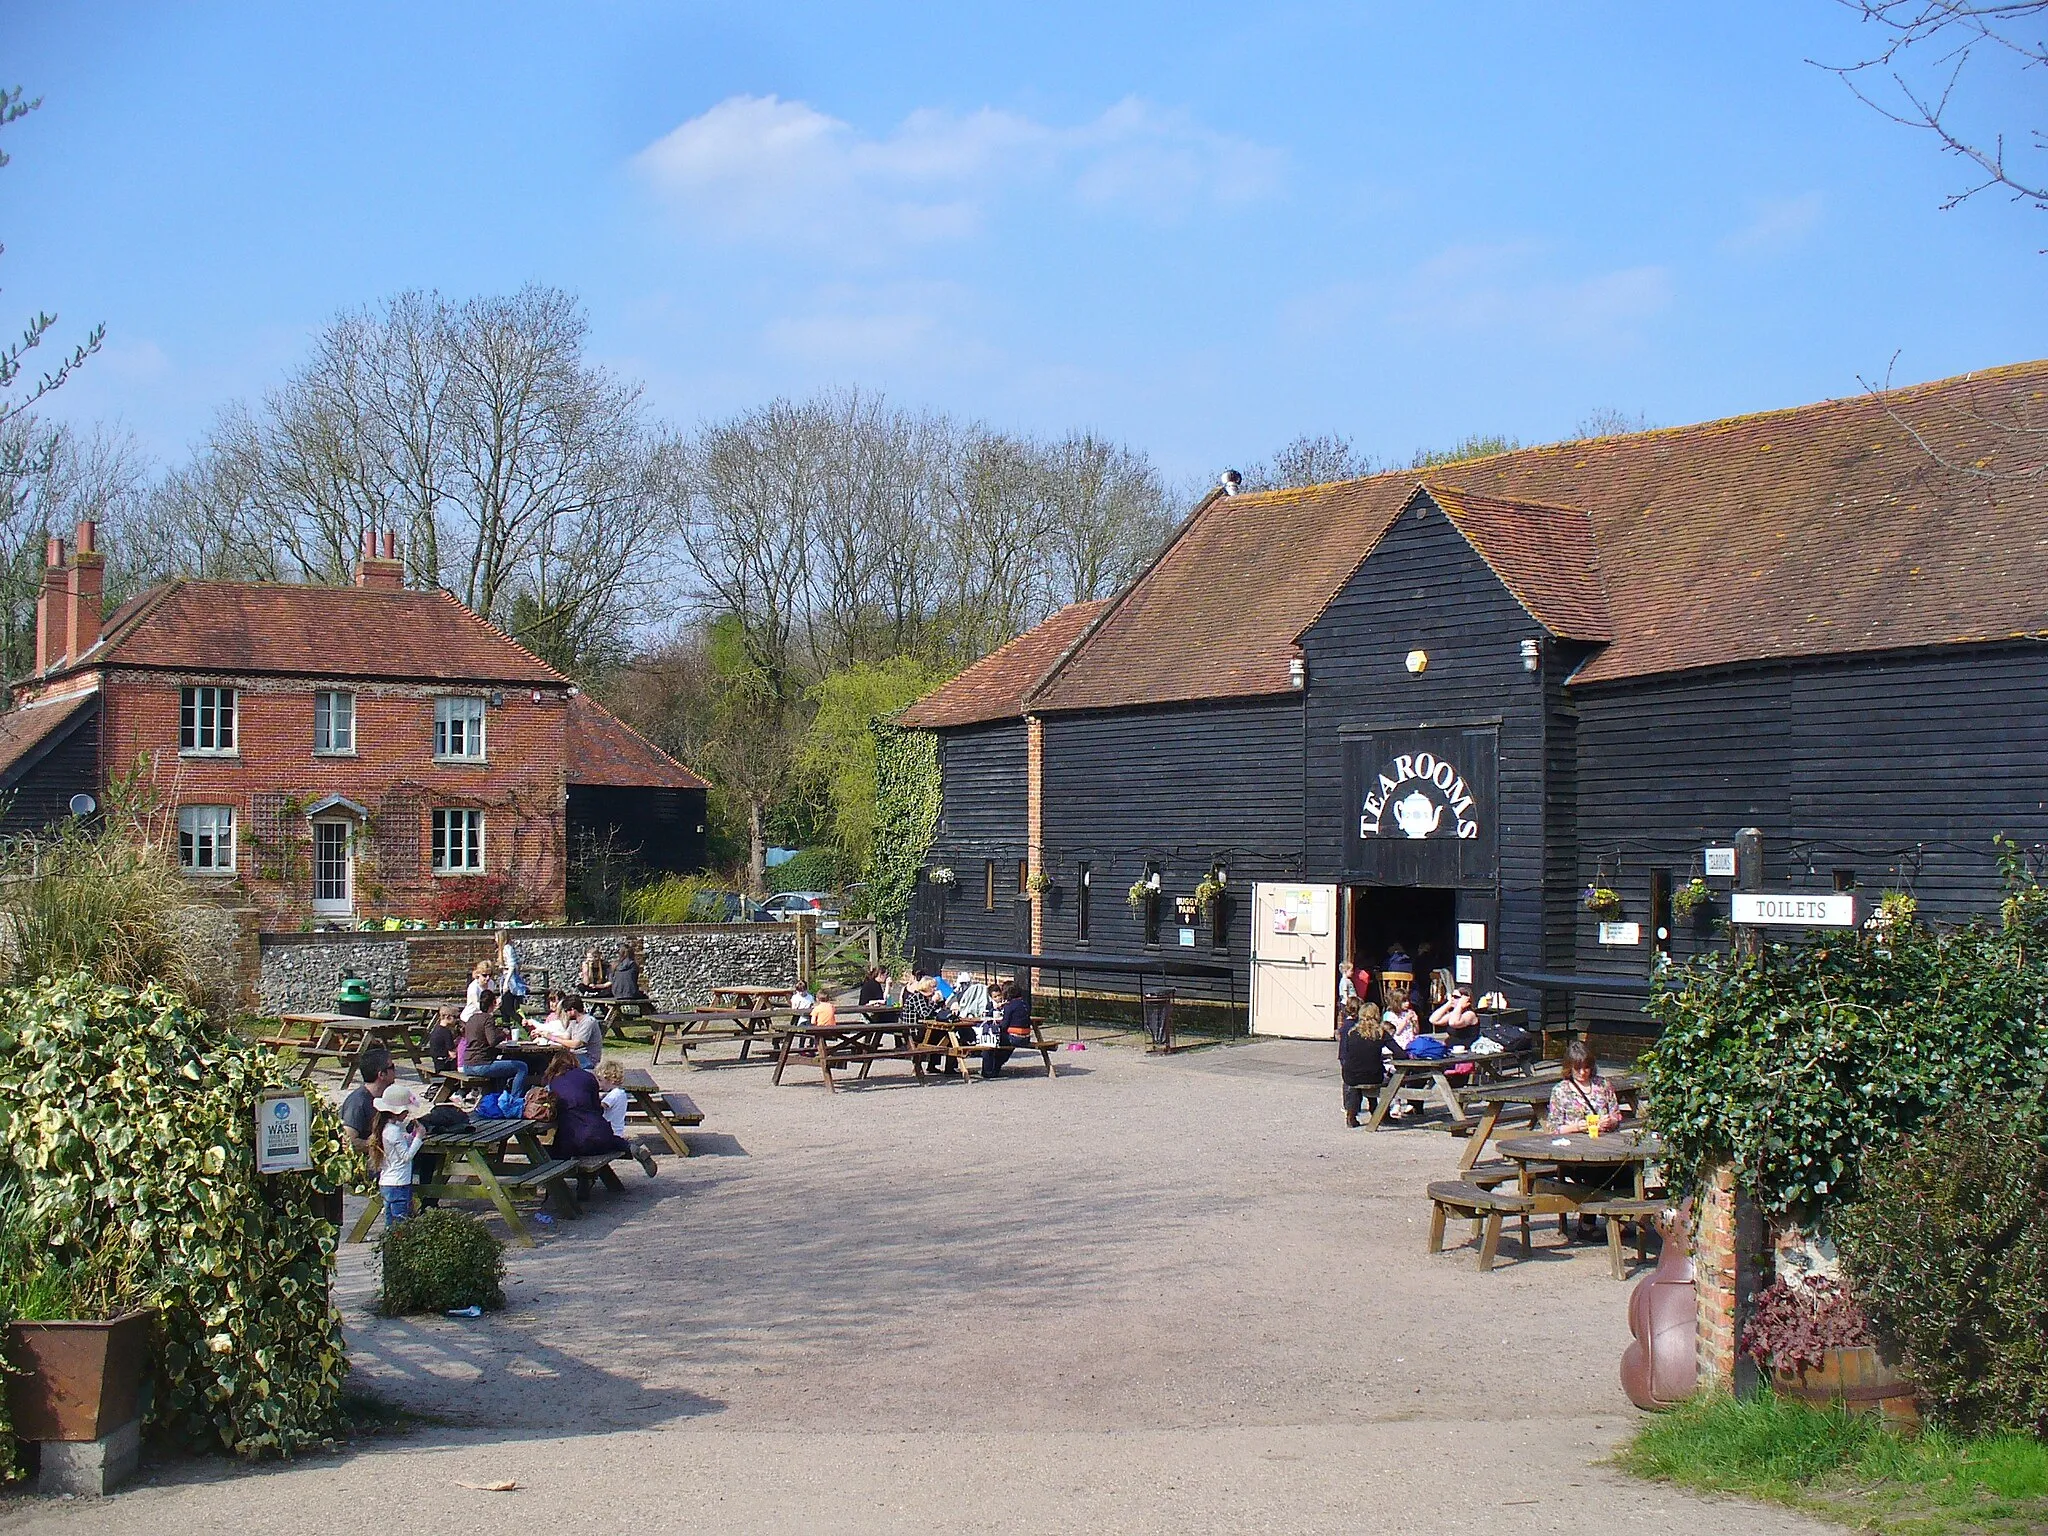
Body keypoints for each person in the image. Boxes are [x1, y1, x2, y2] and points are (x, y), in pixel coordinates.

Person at [547, 1054, 655, 1175]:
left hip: (572, 1140)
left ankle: (562, 1186)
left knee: (556, 1151)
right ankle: (631, 1148)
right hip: (600, 1136)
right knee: (603, 1138)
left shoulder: (554, 1081)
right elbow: (597, 1108)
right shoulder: (588, 1077)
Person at [368, 1084, 428, 1228]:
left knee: (390, 1224)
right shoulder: (393, 1131)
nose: (407, 1113)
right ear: (397, 1112)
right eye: (406, 1110)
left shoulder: (385, 1129)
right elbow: (406, 1157)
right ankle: (397, 1249)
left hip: (387, 1182)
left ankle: (388, 1249)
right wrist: (419, 1137)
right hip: (398, 1183)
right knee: (401, 1225)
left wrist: (411, 1137)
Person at [1547, 1039, 1623, 1134]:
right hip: (1574, 1142)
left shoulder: (1603, 1084)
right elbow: (1553, 1129)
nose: (1582, 1072)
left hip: (1604, 1139)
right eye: (1577, 1068)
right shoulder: (1560, 1091)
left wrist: (1610, 1122)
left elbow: (1616, 1116)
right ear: (1569, 1067)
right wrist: (1576, 1127)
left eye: (1586, 1067)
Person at [459, 999, 529, 1099]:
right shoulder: (488, 1019)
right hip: (480, 1065)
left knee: (503, 1065)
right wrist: (503, 1034)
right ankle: (514, 1100)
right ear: (492, 1004)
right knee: (522, 1067)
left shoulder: (471, 1018)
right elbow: (492, 1041)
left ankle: (499, 1097)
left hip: (467, 1065)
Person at [340, 1047, 398, 1153]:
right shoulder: (358, 1102)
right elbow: (348, 1142)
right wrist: (382, 1144)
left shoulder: (383, 1097)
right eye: (392, 1067)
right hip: (368, 1165)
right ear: (382, 1074)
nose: (395, 1070)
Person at [1338, 1001, 1386, 1127]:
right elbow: (1400, 1053)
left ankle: (1351, 1115)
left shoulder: (1351, 1032)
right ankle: (1379, 1112)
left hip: (1350, 1074)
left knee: (1356, 1080)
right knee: (1384, 1078)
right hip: (1373, 1075)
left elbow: (1350, 1053)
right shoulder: (1380, 1033)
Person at [979, 980, 1034, 1079]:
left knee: (990, 1041)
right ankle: (994, 1069)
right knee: (1003, 1045)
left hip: (1015, 1037)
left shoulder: (1009, 1006)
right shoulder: (1024, 1003)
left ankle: (987, 1070)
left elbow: (1004, 1025)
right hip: (1026, 1037)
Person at [557, 993, 602, 1070]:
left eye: (566, 1010)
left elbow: (576, 1044)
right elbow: (565, 1037)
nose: (566, 1013)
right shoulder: (574, 1022)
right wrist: (545, 1034)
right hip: (576, 1056)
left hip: (588, 1058)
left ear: (573, 1010)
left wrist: (554, 1038)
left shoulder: (588, 1021)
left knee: (560, 1065)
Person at [595, 1059, 631, 1140]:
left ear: (612, 1080)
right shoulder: (621, 1093)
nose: (599, 1084)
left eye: (600, 1080)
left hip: (610, 1132)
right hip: (617, 1131)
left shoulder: (614, 1095)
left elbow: (599, 1107)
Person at [425, 1006, 460, 1075]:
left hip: (437, 1062)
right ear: (447, 1017)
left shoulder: (436, 1028)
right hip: (444, 1064)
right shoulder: (446, 1032)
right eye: (455, 1017)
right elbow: (453, 1055)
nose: (457, 1020)